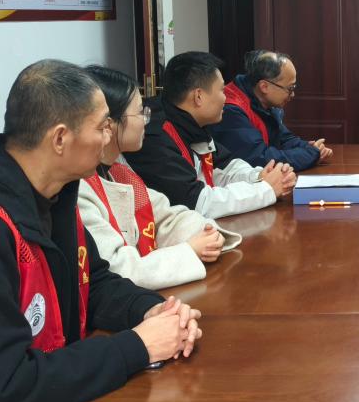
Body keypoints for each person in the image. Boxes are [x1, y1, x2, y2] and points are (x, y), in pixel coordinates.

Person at [0, 59, 202, 402]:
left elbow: (94, 279)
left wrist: (150, 310)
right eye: (102, 125)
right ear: (60, 138)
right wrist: (137, 347)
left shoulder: (54, 191)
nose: (110, 136)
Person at [79, 65, 242, 290]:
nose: (146, 120)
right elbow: (115, 269)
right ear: (108, 124)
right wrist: (189, 251)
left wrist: (206, 234)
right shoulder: (81, 188)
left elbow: (167, 216)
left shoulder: (120, 172)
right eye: (140, 112)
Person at [126, 51, 296, 219]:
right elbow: (198, 203)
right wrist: (265, 189)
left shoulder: (190, 122)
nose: (225, 97)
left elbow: (225, 167)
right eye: (221, 90)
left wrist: (259, 176)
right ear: (198, 96)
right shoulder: (154, 135)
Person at [213, 49, 333, 171]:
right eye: (290, 88)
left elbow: (284, 139)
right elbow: (261, 159)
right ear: (264, 86)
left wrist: (310, 148)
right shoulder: (231, 110)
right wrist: (312, 154)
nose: (292, 95)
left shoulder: (265, 101)